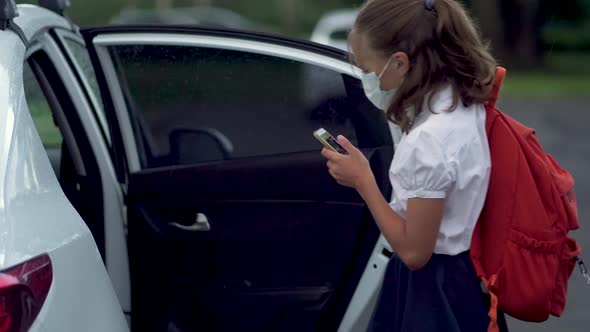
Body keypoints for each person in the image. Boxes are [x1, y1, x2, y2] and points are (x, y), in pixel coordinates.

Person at [321, 0, 509, 331]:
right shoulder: (461, 105)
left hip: (431, 291)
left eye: (368, 69)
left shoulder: (430, 141)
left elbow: (414, 252)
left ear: (399, 62)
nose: (367, 79)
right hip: (462, 279)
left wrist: (363, 180)